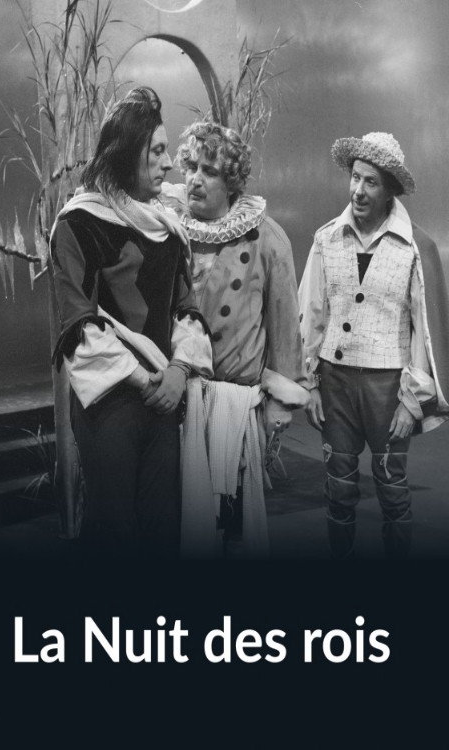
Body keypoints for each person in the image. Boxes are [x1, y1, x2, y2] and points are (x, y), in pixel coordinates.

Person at [50, 87, 212, 556]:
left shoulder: (167, 229)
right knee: (114, 529)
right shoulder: (79, 223)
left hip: (163, 398)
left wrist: (179, 371)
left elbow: (186, 308)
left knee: (162, 527)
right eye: (156, 151)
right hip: (110, 403)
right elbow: (78, 319)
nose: (169, 163)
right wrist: (150, 380)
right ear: (126, 153)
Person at [298, 131, 449, 558]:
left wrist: (412, 401)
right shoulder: (326, 239)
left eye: (370, 182)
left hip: (388, 388)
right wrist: (310, 383)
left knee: (392, 486)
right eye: (355, 177)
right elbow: (311, 313)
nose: (358, 190)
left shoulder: (414, 248)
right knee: (338, 486)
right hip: (335, 382)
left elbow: (423, 330)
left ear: (389, 189)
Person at [162, 121, 309, 557]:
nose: (195, 179)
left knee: (234, 517)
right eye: (191, 166)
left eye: (208, 171)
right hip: (176, 399)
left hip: (235, 404)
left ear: (231, 181)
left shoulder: (267, 238)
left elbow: (285, 326)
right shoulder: (165, 228)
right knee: (176, 519)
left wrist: (280, 402)